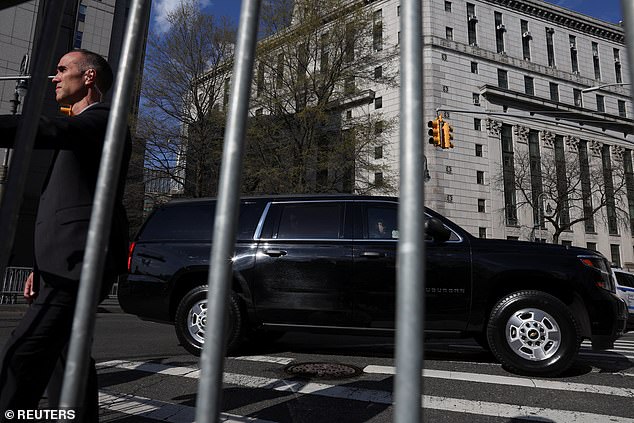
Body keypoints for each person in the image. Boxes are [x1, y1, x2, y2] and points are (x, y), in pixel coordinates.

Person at [0, 49, 131, 422]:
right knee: (66, 360)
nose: (54, 78)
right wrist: (39, 269)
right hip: (61, 265)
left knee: (22, 356)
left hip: (81, 262)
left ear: (88, 77)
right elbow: (63, 204)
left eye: (62, 70)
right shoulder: (81, 129)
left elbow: (49, 129)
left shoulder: (105, 119)